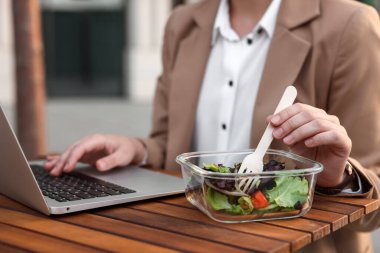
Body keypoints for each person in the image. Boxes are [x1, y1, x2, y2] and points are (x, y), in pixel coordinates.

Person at [44, 0, 380, 252]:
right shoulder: (182, 23)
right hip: (180, 240)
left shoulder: (351, 25)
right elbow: (170, 145)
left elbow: (373, 199)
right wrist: (138, 148)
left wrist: (338, 177)